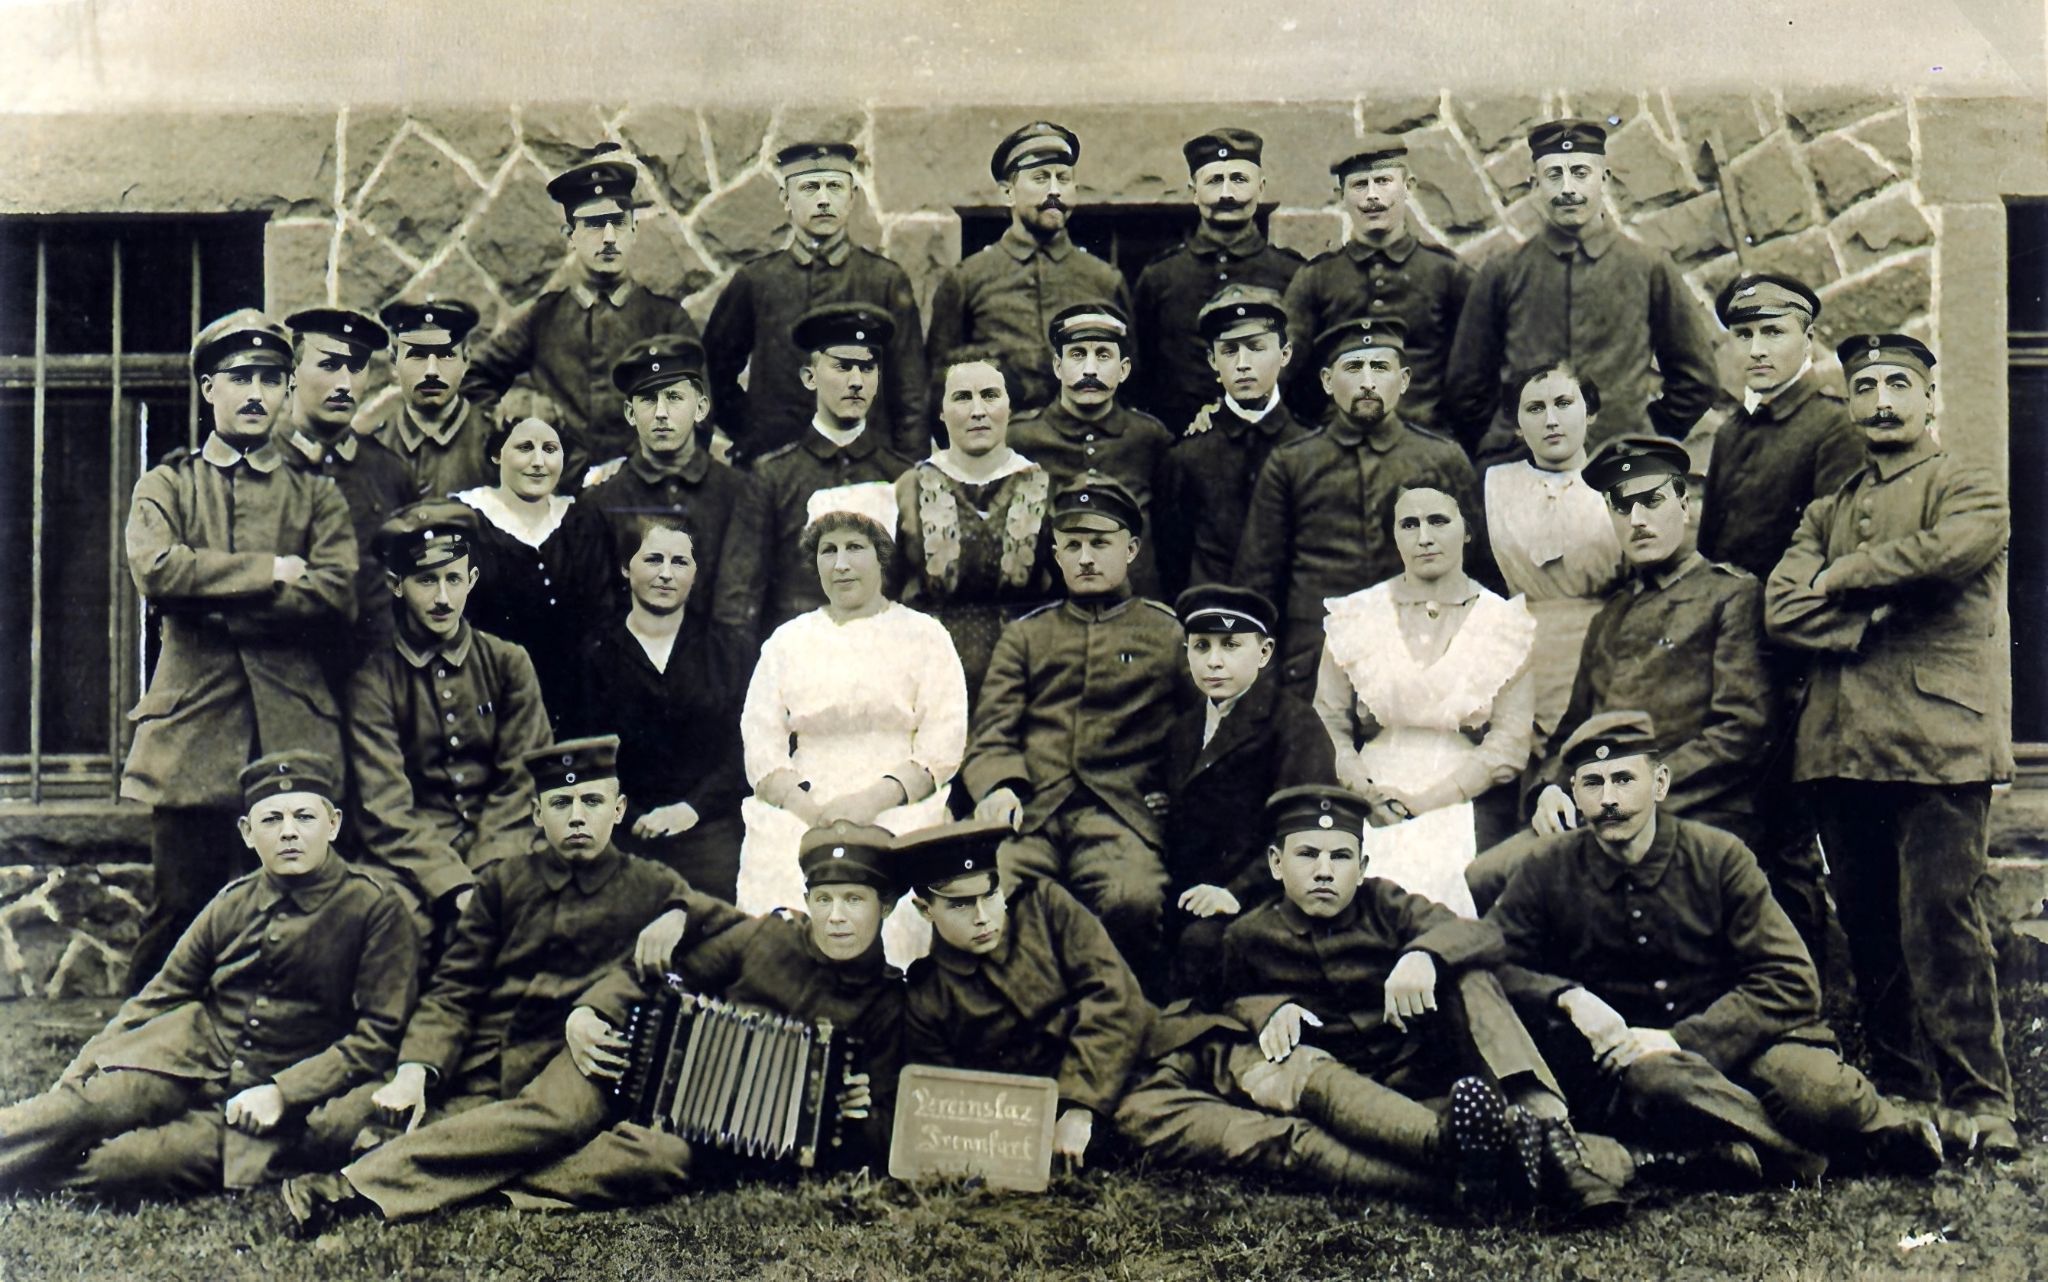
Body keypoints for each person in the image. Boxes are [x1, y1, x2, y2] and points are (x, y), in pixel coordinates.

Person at [282, 821, 900, 1228]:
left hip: (700, 1131)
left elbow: (871, 1136)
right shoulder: (766, 937)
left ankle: (476, 1186)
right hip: (627, 1057)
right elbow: (644, 974)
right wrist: (591, 1012)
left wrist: (851, 1117)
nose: (837, 918)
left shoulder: (886, 1003)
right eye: (825, 900)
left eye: (855, 901)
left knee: (658, 1163)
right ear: (808, 900)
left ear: (887, 908)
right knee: (555, 1116)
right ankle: (349, 1190)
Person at [1116, 785, 1622, 1218]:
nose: (1323, 871)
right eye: (1306, 855)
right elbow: (1213, 1012)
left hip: (1422, 1074)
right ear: (1275, 863)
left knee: (1470, 975)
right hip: (1348, 1100)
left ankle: (1552, 1135)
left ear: (1361, 867)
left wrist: (1424, 954)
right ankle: (1505, 1161)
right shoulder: (1248, 936)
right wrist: (1267, 1008)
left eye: (1340, 858)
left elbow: (1482, 936)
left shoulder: (1386, 904)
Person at [1487, 712, 1946, 1183]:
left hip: (1749, 1042)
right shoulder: (1547, 868)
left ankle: (1850, 1132)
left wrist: (1683, 1039)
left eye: (1625, 779)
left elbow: (1791, 980)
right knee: (1660, 1085)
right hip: (1643, 1067)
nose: (1609, 800)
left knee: (1816, 1092)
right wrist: (1566, 995)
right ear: (1575, 794)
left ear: (1660, 783)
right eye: (1592, 784)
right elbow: (1492, 961)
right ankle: (1826, 1157)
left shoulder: (1719, 856)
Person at [1764, 333, 2019, 1159]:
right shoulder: (1824, 509)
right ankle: (1903, 1091)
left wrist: (1841, 579)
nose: (1879, 400)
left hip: (1940, 737)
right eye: (1864, 385)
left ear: (1930, 399)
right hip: (1842, 741)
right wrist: (1869, 609)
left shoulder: (1968, 485)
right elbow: (1780, 609)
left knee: (1942, 919)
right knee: (1868, 923)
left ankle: (1981, 1100)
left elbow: (1951, 553)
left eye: (1897, 385)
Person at [0, 752, 417, 1198]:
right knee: (82, 1110)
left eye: (305, 816)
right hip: (189, 1059)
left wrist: (283, 1092)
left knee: (123, 1166)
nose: (289, 831)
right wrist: (86, 1062)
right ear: (247, 833)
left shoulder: (375, 909)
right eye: (272, 819)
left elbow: (376, 1037)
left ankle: (31, 1173)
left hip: (277, 1096)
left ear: (332, 824)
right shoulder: (232, 902)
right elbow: (161, 993)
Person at [325, 736, 744, 1149]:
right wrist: (416, 1069)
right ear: (536, 814)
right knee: (337, 1125)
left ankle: (388, 1157)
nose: (577, 817)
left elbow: (733, 926)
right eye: (561, 804)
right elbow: (454, 989)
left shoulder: (651, 885)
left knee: (437, 1135)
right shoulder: (502, 883)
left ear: (618, 811)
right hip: (474, 1061)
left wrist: (681, 914)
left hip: (551, 1074)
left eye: (592, 802)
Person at [120, 309, 358, 990]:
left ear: (287, 392)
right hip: (193, 735)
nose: (256, 393)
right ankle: (125, 1054)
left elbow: (336, 594)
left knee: (289, 912)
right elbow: (158, 571)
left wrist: (212, 600)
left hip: (291, 728)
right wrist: (269, 573)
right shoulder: (167, 484)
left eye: (271, 379)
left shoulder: (314, 495)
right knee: (179, 911)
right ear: (207, 390)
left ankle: (269, 1057)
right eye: (240, 377)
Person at [962, 475, 1186, 976]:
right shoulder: (1027, 636)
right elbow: (992, 731)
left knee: (1133, 898)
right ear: (1056, 555)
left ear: (1130, 550)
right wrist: (997, 787)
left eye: (1100, 544)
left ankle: (1126, 1018)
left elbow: (1194, 731)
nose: (1086, 558)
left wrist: (1174, 791)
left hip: (1121, 813)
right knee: (989, 894)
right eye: (1073, 546)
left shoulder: (1167, 633)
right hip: (1032, 813)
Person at [1515, 435, 1775, 858]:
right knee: (1486, 876)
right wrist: (1549, 789)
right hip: (1606, 813)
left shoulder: (1730, 596)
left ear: (1685, 507)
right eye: (1620, 506)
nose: (1636, 519)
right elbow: (1572, 728)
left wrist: (1642, 793)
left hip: (1692, 811)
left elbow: (1741, 730)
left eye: (1651, 501)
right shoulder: (1612, 614)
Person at [738, 496, 968, 967]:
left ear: (881, 553)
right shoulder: (788, 640)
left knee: (892, 905)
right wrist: (807, 808)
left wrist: (872, 802)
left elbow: (942, 743)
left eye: (855, 547)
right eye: (828, 550)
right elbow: (761, 741)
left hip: (899, 801)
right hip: (804, 801)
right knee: (780, 896)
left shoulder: (924, 636)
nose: (841, 565)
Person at [1443, 120, 1720, 464]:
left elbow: (1697, 379)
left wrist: (1641, 436)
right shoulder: (1503, 272)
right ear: (1535, 184)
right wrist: (1509, 445)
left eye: (1580, 172)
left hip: (1619, 468)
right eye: (1554, 175)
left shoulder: (1648, 268)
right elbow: (1465, 387)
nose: (1568, 188)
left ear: (1603, 179)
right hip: (1523, 470)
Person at [1232, 316, 1484, 695]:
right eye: (1353, 367)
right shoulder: (1292, 463)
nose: (1368, 382)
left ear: (1404, 381)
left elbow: (1480, 571)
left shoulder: (1441, 460)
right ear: (1327, 382)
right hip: (1312, 663)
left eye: (1380, 367)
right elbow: (1258, 581)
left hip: (1420, 661)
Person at [1316, 485, 1536, 915]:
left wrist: (1431, 799)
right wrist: (1363, 789)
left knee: (1448, 894)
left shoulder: (1503, 622)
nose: (1425, 537)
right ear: (1395, 536)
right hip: (1368, 783)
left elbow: (1509, 742)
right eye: (1409, 524)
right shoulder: (1356, 616)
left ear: (1467, 531)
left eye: (1439, 521)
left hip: (1464, 789)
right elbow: (1328, 720)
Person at [901, 820, 1153, 1172]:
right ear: (925, 910)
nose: (982, 918)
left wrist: (1079, 1108)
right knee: (1165, 1127)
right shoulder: (928, 996)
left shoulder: (1046, 907)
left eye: (990, 895)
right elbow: (947, 1107)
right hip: (1063, 1117)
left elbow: (1115, 997)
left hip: (1125, 1067)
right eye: (960, 905)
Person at [344, 501, 551, 929]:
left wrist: (485, 869)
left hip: (504, 842)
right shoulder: (372, 680)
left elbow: (524, 779)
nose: (442, 598)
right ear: (395, 584)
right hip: (410, 855)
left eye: (453, 579)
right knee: (391, 922)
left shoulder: (508, 662)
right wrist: (452, 882)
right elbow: (385, 807)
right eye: (425, 580)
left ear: (471, 580)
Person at [462, 143, 701, 476]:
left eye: (618, 223)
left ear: (633, 230)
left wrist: (639, 470)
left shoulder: (667, 319)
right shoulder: (543, 318)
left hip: (645, 493)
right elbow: (472, 380)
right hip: (561, 494)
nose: (607, 238)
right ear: (570, 236)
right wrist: (517, 412)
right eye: (593, 225)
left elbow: (701, 414)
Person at [701, 141, 929, 463]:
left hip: (866, 466)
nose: (823, 200)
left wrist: (906, 469)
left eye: (834, 187)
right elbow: (711, 373)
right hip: (775, 463)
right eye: (809, 188)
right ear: (786, 199)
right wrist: (753, 434)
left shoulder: (884, 280)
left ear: (851, 198)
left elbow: (911, 392)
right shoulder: (758, 281)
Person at [1160, 585, 1335, 1002]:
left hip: (1262, 894)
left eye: (1231, 645)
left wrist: (1234, 893)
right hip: (1190, 890)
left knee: (1202, 948)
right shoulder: (1182, 732)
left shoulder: (1294, 724)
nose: (1214, 661)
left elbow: (1305, 828)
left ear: (1264, 652)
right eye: (1201, 646)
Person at [566, 515, 747, 900]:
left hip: (707, 828)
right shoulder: (594, 653)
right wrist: (629, 817)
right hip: (622, 829)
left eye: (679, 562)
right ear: (625, 567)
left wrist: (691, 809)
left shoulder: (726, 651)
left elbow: (741, 751)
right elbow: (583, 754)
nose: (666, 574)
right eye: (653, 560)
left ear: (696, 574)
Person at [579, 333, 769, 676]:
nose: (662, 413)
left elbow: (737, 613)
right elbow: (599, 617)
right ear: (629, 412)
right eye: (648, 400)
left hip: (719, 684)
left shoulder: (739, 493)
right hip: (628, 685)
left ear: (701, 408)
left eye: (674, 398)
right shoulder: (602, 503)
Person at [926, 121, 1133, 414]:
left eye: (1063, 178)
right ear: (1008, 193)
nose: (1054, 191)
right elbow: (940, 384)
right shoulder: (968, 279)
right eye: (1040, 178)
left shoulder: (1103, 279)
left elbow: (1132, 380)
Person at [893, 347, 1054, 699]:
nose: (978, 411)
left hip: (1023, 678)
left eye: (990, 396)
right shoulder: (909, 488)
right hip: (927, 676)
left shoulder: (1043, 486)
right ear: (941, 410)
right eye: (962, 398)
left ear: (1010, 407)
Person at [1282, 137, 1472, 430]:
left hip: (1426, 440)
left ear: (1408, 186)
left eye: (1383, 181)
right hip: (1339, 445)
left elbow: (1475, 371)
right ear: (1340, 195)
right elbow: (1285, 369)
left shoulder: (1446, 273)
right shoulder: (1317, 277)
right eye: (1359, 185)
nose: (1372, 196)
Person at [1483, 361, 1625, 750]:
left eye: (1564, 403)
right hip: (1520, 658)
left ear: (1590, 412)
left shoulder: (1620, 484)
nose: (1551, 420)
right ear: (1516, 424)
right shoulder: (1494, 487)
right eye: (1535, 409)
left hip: (1604, 653)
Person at [751, 302, 919, 630]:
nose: (856, 381)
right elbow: (745, 596)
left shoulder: (901, 475)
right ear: (809, 377)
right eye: (842, 367)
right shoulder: (772, 478)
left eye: (867, 368)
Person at [1131, 128, 1305, 434]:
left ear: (1261, 187)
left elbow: (1304, 369)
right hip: (1181, 447)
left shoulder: (1292, 274)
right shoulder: (1161, 277)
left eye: (1239, 179)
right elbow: (1140, 375)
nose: (1227, 194)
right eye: (1214, 181)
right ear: (1193, 191)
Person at [453, 392, 612, 723]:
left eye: (550, 449)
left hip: (576, 705)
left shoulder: (579, 521)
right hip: (492, 704)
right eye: (524, 448)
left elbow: (602, 618)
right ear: (497, 453)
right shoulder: (466, 520)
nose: (539, 462)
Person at [277, 306, 417, 679]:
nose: (344, 383)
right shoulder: (258, 465)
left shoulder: (389, 473)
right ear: (291, 373)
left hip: (375, 684)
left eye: (356, 367)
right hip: (281, 686)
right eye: (329, 365)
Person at [1695, 274, 1862, 581]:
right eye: (1744, 335)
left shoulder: (1836, 427)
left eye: (1773, 332)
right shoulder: (1730, 433)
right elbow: (1708, 550)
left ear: (1808, 340)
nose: (1757, 349)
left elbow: (1835, 557)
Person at [1007, 302, 1177, 596]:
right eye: (1077, 354)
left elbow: (1171, 533)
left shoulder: (1148, 438)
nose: (1090, 369)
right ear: (1057, 367)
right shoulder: (1021, 439)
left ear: (1123, 370)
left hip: (1136, 604)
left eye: (1103, 355)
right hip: (1050, 607)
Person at [1160, 285, 1315, 589]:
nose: (1242, 363)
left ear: (1284, 354)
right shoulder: (1187, 456)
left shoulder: (1311, 449)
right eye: (1229, 351)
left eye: (1256, 348)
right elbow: (1173, 560)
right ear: (1212, 361)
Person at [368, 297, 497, 499]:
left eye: (446, 355)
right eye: (417, 355)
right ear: (394, 363)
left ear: (466, 360)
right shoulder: (374, 448)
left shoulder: (494, 442)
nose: (432, 371)